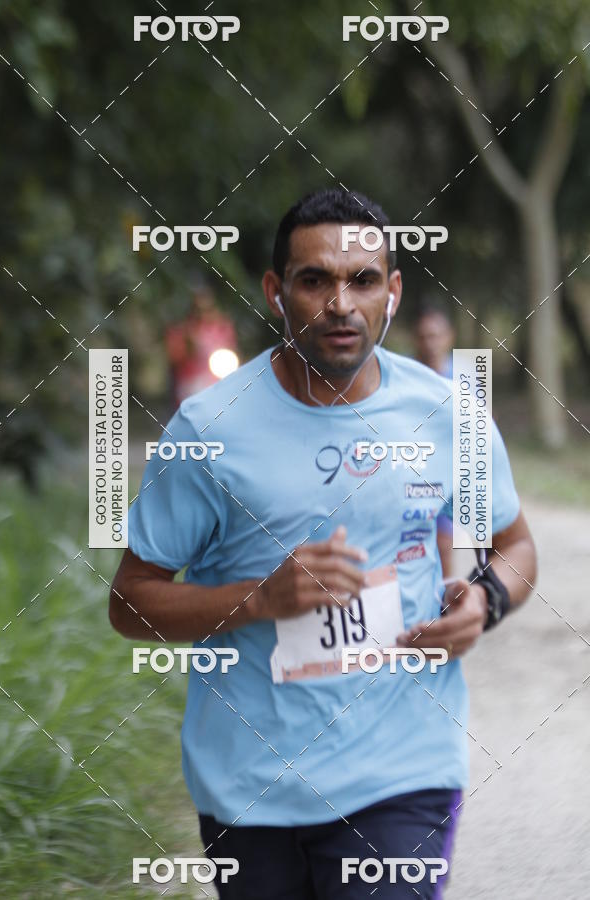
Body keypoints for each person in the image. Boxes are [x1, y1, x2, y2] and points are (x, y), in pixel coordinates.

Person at [110, 188, 537, 898]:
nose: (341, 304)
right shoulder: (209, 428)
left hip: (403, 772)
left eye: (362, 280)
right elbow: (130, 602)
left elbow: (515, 546)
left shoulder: (447, 415)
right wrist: (259, 599)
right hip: (249, 786)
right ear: (276, 292)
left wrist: (486, 599)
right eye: (315, 280)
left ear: (392, 293)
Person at [413, 307, 456, 576]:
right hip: (415, 472)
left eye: (435, 336)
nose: (430, 343)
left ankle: (448, 593)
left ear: (449, 337)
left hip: (451, 473)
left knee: (445, 544)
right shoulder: (406, 377)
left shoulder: (465, 378)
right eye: (424, 336)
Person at [165, 288, 238, 407]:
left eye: (209, 309)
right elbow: (175, 356)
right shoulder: (183, 330)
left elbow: (231, 350)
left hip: (217, 379)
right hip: (191, 382)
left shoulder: (223, 327)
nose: (205, 314)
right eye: (200, 310)